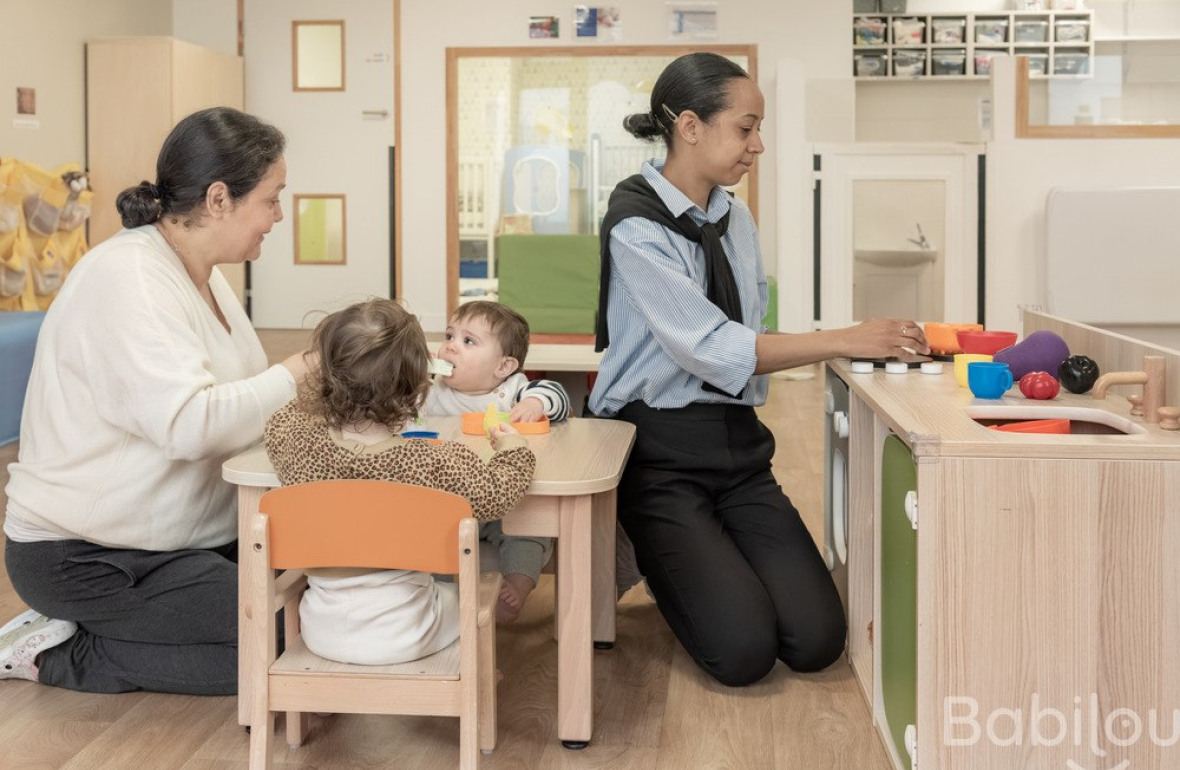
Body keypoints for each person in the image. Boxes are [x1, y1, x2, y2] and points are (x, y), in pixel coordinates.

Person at [591, 53, 930, 687]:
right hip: (659, 453)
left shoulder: (735, 218)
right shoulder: (635, 226)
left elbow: (747, 334)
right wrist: (843, 338)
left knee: (817, 641)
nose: (759, 145)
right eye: (746, 128)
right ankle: (673, 559)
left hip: (737, 448)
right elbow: (714, 347)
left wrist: (841, 341)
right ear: (690, 127)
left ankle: (703, 560)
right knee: (744, 654)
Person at [2, 107, 312, 694]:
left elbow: (241, 401)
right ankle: (58, 652)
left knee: (329, 614)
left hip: (182, 540)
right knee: (282, 641)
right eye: (272, 199)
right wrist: (298, 372)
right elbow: (190, 424)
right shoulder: (130, 278)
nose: (278, 216)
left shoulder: (204, 272)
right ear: (219, 199)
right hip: (91, 555)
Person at [264, 299, 536, 665]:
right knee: (466, 595)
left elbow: (284, 418)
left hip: (320, 632)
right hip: (409, 632)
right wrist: (513, 447)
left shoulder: (297, 446)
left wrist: (328, 384)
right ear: (417, 388)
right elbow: (498, 494)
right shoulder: (430, 462)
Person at [425, 300, 570, 624]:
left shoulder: (513, 390)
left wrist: (535, 402)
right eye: (449, 335)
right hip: (448, 501)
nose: (450, 346)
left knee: (529, 534)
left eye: (468, 341)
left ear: (503, 367)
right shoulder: (431, 390)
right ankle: (436, 602)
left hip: (503, 503)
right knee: (423, 534)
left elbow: (557, 394)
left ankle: (517, 586)